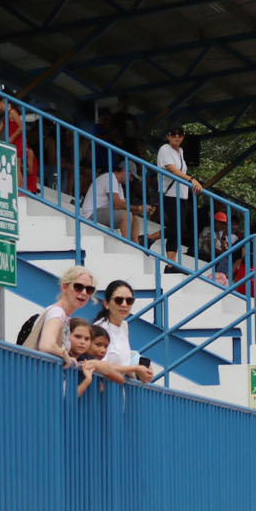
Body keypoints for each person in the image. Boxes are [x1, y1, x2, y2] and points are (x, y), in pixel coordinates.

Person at [23, 266, 94, 365]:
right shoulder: (57, 312)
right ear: (64, 287)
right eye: (78, 287)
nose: (84, 292)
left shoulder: (62, 315)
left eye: (89, 289)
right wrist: (65, 355)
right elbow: (46, 345)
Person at [80, 164, 160, 245]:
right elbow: (117, 205)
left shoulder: (118, 184)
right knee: (126, 215)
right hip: (91, 214)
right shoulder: (110, 178)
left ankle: (136, 247)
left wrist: (142, 210)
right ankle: (126, 245)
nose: (131, 180)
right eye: (131, 176)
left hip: (101, 212)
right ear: (125, 171)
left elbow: (124, 207)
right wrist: (139, 208)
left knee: (134, 218)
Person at [157, 126, 203, 267]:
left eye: (180, 134)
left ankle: (171, 264)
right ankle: (149, 237)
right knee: (177, 228)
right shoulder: (165, 149)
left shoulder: (180, 151)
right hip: (169, 194)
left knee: (178, 230)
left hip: (182, 194)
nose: (177, 137)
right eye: (174, 134)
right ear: (168, 136)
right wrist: (191, 179)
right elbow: (172, 169)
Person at [93, 280, 155, 382]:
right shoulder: (99, 328)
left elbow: (123, 364)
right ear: (106, 304)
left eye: (129, 301)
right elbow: (100, 366)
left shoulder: (124, 326)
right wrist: (135, 368)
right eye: (119, 300)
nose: (124, 304)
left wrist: (141, 372)